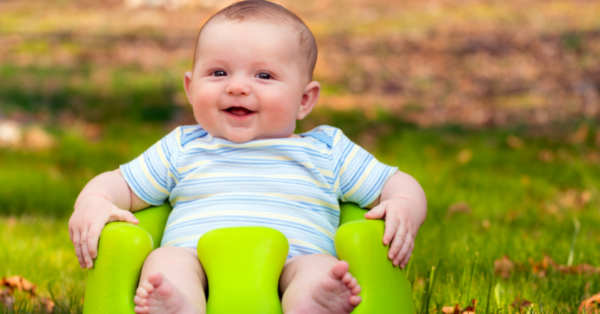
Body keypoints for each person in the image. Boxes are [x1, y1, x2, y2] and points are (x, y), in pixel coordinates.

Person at [68, 1, 427, 313]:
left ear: (305, 99)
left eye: (264, 75)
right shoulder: (182, 146)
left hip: (292, 263)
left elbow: (395, 183)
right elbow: (120, 183)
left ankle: (312, 304)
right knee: (166, 261)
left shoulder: (327, 150)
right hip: (199, 266)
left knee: (318, 269)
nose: (237, 86)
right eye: (219, 72)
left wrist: (404, 206)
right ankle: (178, 305)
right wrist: (94, 201)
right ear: (191, 89)